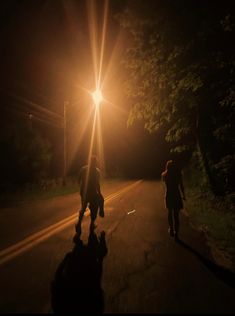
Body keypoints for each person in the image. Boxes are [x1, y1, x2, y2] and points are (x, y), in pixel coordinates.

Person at [75, 155, 104, 235]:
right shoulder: (97, 171)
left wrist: (83, 186)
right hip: (93, 193)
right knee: (94, 208)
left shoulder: (83, 169)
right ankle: (92, 224)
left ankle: (79, 224)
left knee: (83, 208)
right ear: (95, 163)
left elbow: (78, 180)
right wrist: (100, 193)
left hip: (84, 193)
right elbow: (97, 184)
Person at [161, 160, 186, 240]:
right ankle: (176, 233)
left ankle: (171, 229)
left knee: (169, 212)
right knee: (176, 215)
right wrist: (183, 195)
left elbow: (165, 183)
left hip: (169, 194)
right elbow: (181, 186)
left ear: (167, 167)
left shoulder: (165, 175)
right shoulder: (178, 174)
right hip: (176, 194)